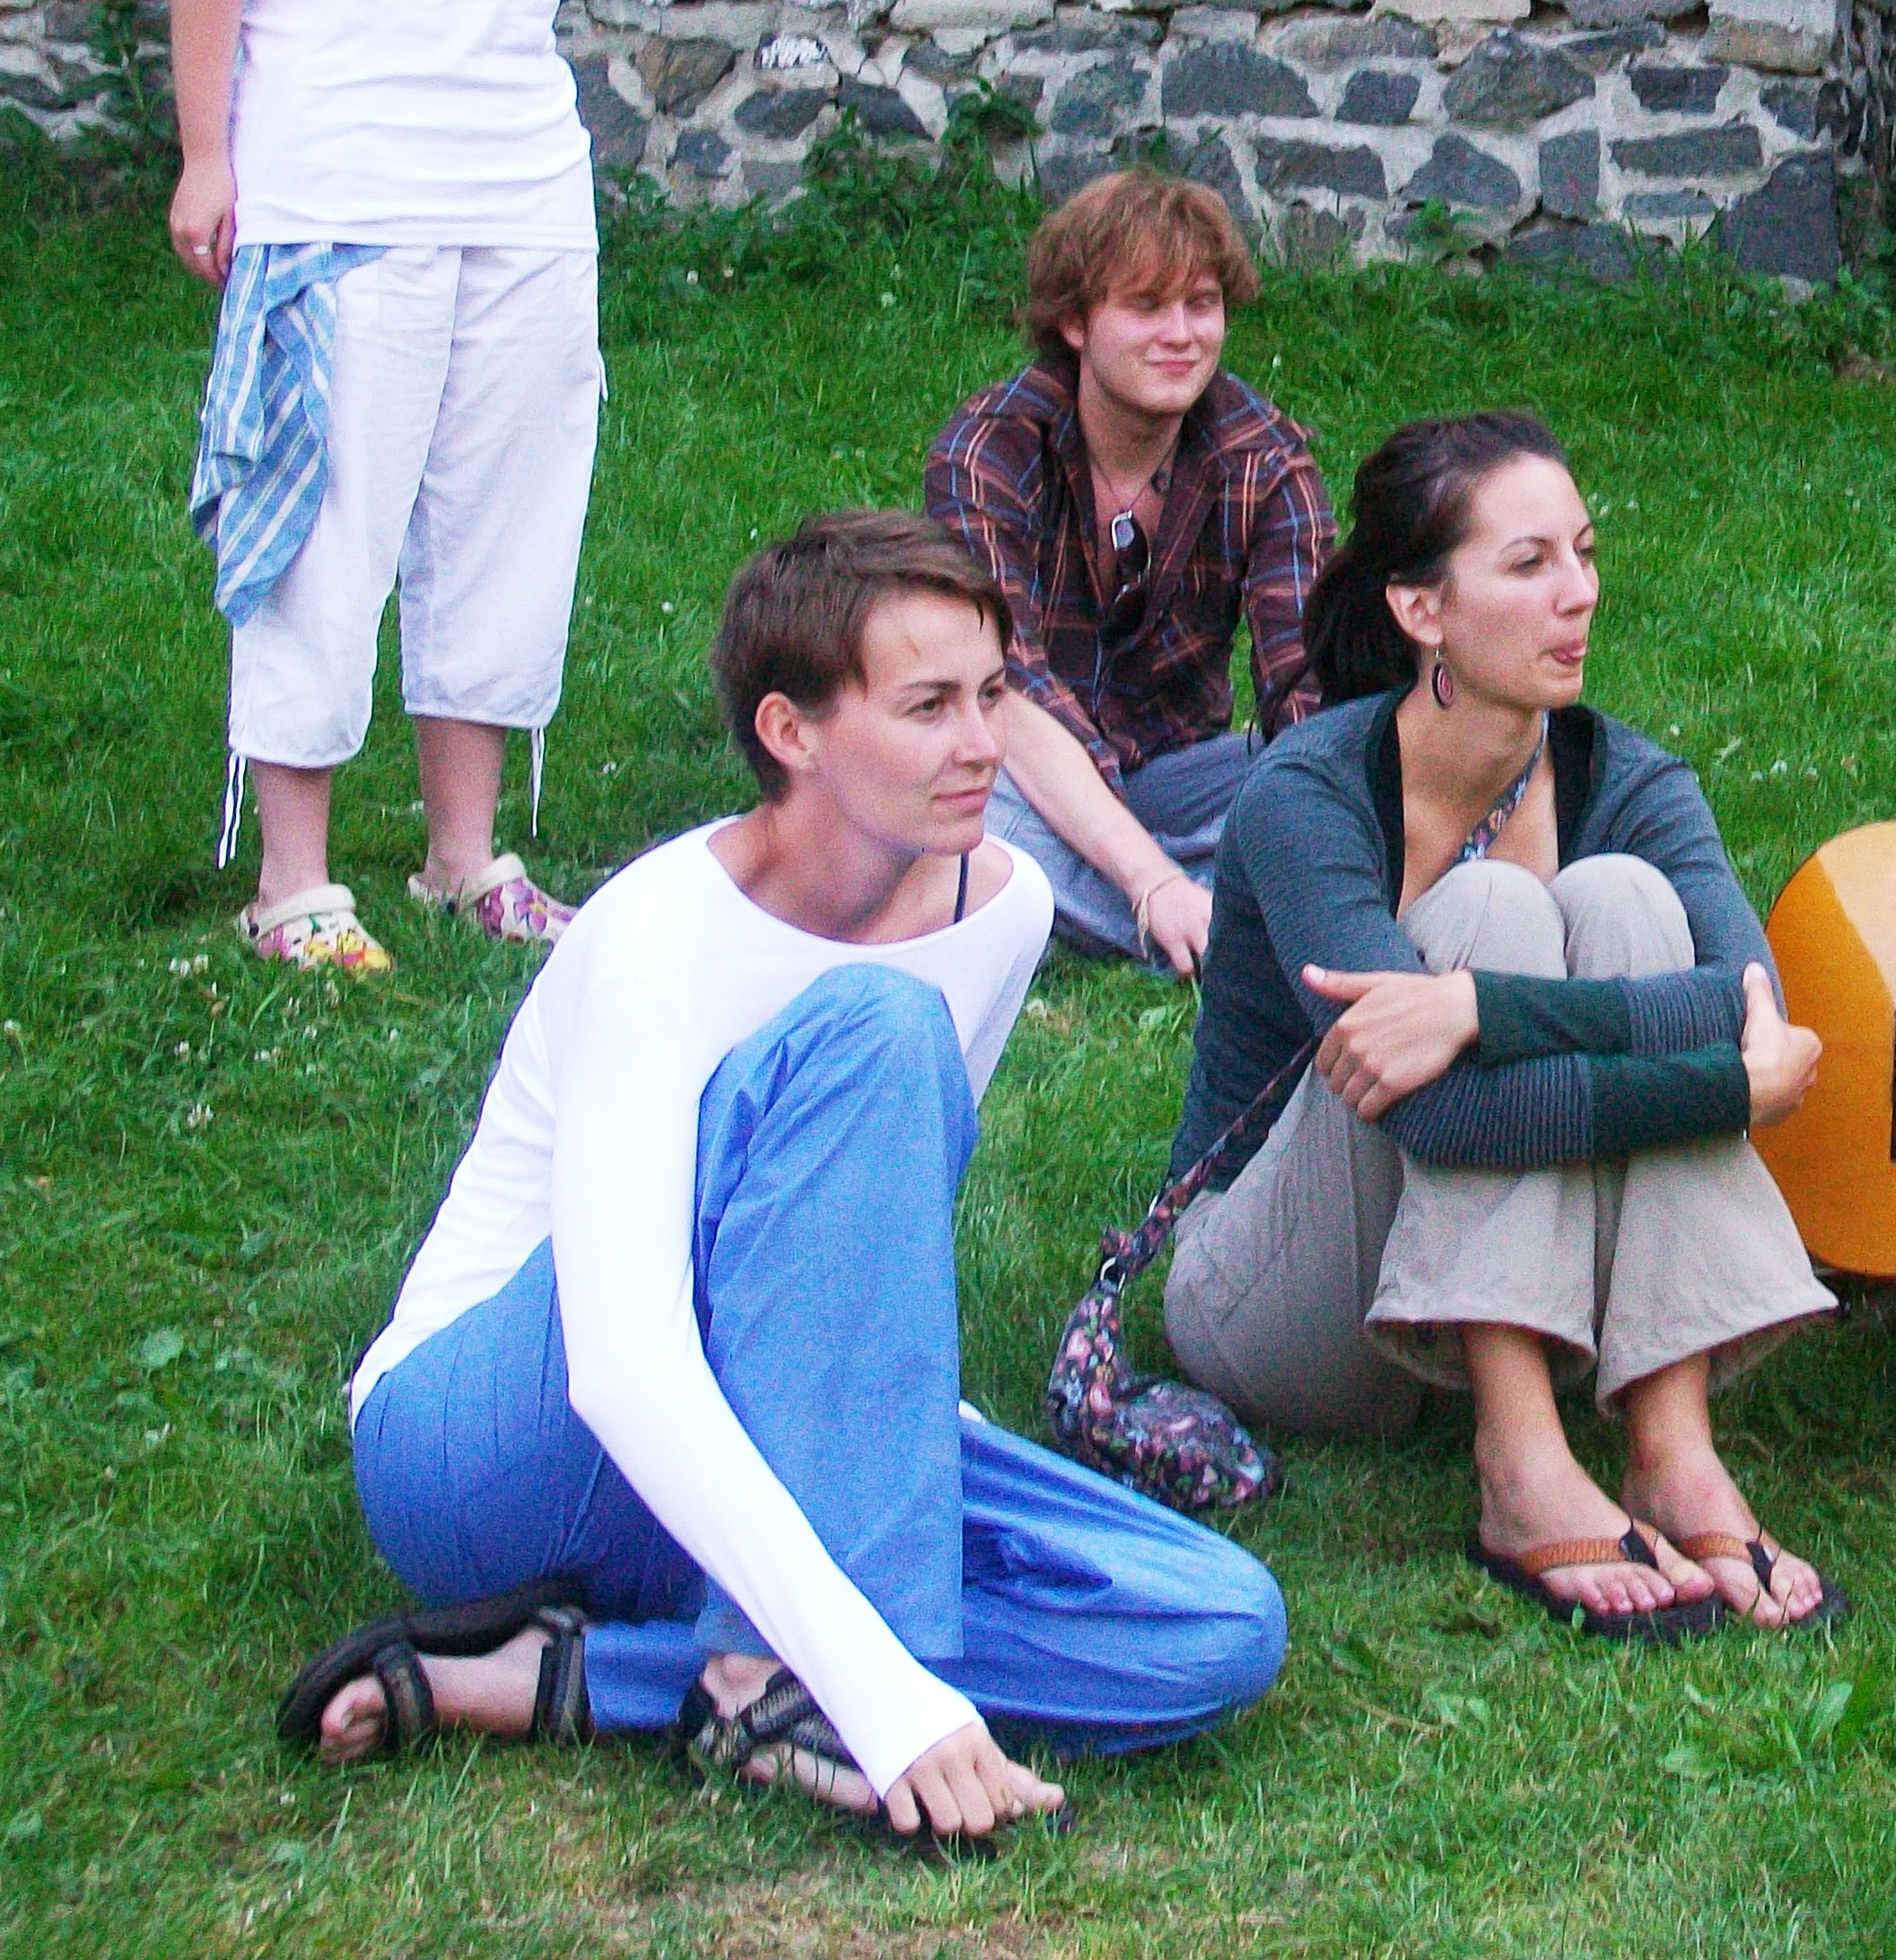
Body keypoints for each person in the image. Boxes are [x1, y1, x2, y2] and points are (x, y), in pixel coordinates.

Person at [275, 513, 1285, 1842]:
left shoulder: (1003, 905)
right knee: (873, 1027)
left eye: (993, 694)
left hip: (738, 1418)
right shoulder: (657, 938)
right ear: (791, 731)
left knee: (1212, 1626)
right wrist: (887, 1697)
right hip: (496, 1450)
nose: (983, 745)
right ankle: (782, 1677)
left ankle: (590, 1675)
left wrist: (887, 1439)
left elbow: (870, 1226)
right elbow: (625, 1365)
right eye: (927, 706)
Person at [1154, 412, 1846, 1639]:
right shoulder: (1307, 793)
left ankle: (1670, 1447)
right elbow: (1441, 1114)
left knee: (1623, 898)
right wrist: (1726, 1092)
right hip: (1279, 1295)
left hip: (1531, 1280)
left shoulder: (1627, 780)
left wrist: (1481, 1005)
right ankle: (1520, 1463)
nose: (1579, 593)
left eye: (1583, 552)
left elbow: (1751, 1002)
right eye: (1528, 564)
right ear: (1421, 610)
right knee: (1491, 908)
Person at [170, 0, 741, 971]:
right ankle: (292, 885)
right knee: (327, 514)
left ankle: (463, 862)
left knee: (507, 505)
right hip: (339, 158)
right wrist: (206, 152)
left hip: (517, 160)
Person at [927, 169, 1331, 976]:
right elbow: (1004, 688)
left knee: (1348, 766)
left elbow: (1306, 686)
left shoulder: (1265, 460)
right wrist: (1151, 880)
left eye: (1202, 304)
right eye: (1146, 306)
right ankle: (1227, 922)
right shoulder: (988, 452)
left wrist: (1333, 802)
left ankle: (1086, 908)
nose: (1181, 335)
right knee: (956, 816)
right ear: (1075, 322)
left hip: (1178, 772)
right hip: (1025, 772)